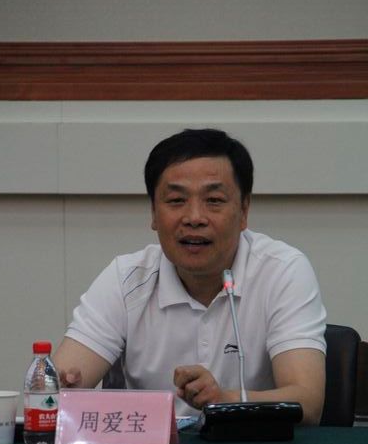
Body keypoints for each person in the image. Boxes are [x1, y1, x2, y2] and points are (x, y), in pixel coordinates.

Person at [53, 128, 326, 425]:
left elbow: (307, 402)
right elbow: (53, 389)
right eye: (176, 201)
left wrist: (224, 401)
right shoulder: (126, 278)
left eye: (214, 200)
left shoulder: (281, 272)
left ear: (244, 210)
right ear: (154, 213)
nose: (194, 217)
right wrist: (65, 387)